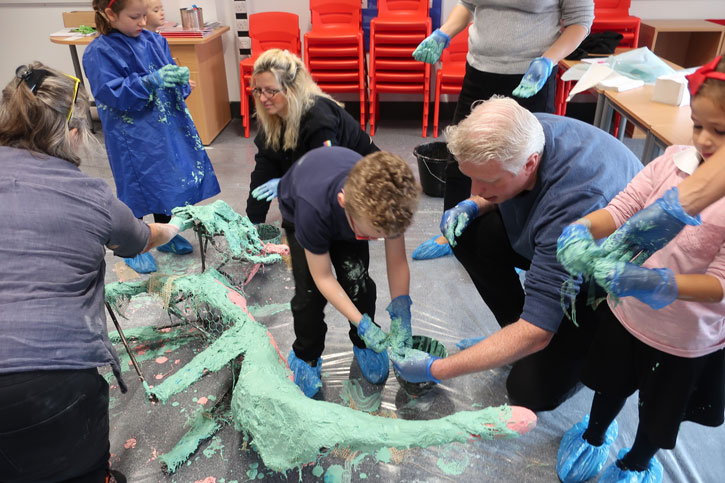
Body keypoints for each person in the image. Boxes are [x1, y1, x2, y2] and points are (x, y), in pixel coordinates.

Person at [391, 97, 642, 412]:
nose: (476, 188)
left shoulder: (575, 202)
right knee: (467, 232)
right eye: (472, 177)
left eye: (489, 182)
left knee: (529, 392)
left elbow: (538, 332)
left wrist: (437, 369)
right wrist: (474, 204)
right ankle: (516, 334)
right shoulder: (519, 129)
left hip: (605, 278)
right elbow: (497, 186)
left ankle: (574, 348)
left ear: (530, 163)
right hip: (550, 232)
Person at [0, 62, 188, 483]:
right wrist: (173, 226)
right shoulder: (89, 194)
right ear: (72, 132)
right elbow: (140, 237)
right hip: (52, 381)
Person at [553, 56, 725, 483]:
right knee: (609, 385)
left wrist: (655, 282)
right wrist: (581, 229)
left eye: (720, 131)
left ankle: (637, 461)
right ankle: (595, 434)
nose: (703, 140)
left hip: (684, 339)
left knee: (660, 414)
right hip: (627, 314)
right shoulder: (672, 162)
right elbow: (624, 207)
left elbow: (719, 285)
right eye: (697, 124)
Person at [411, 0, 594, 260]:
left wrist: (547, 61)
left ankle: (521, 243)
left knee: (525, 165)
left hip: (532, 76)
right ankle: (450, 230)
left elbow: (580, 23)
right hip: (479, 70)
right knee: (461, 156)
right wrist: (444, 33)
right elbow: (467, 4)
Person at [258, 146, 419, 397]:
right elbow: (323, 277)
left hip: (352, 216)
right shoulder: (312, 209)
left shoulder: (389, 204)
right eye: (372, 236)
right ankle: (306, 355)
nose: (378, 240)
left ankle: (362, 344)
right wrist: (363, 323)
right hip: (302, 207)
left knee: (358, 282)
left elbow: (397, 261)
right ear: (345, 204)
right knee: (309, 297)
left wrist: (402, 310)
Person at [83, 0, 220, 273]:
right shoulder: (98, 52)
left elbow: (168, 76)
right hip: (131, 136)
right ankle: (131, 245)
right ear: (110, 14)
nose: (143, 23)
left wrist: (179, 80)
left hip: (165, 128)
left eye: (145, 15)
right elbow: (111, 94)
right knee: (136, 189)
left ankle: (163, 233)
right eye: (135, 17)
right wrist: (148, 82)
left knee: (167, 181)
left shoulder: (154, 41)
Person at [246, 49, 378, 224]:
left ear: (291, 89)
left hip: (367, 180)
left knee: (313, 226)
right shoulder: (273, 119)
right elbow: (264, 171)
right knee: (294, 217)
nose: (262, 98)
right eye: (258, 90)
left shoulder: (318, 118)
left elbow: (329, 172)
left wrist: (286, 184)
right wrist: (252, 222)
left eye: (270, 91)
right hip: (328, 177)